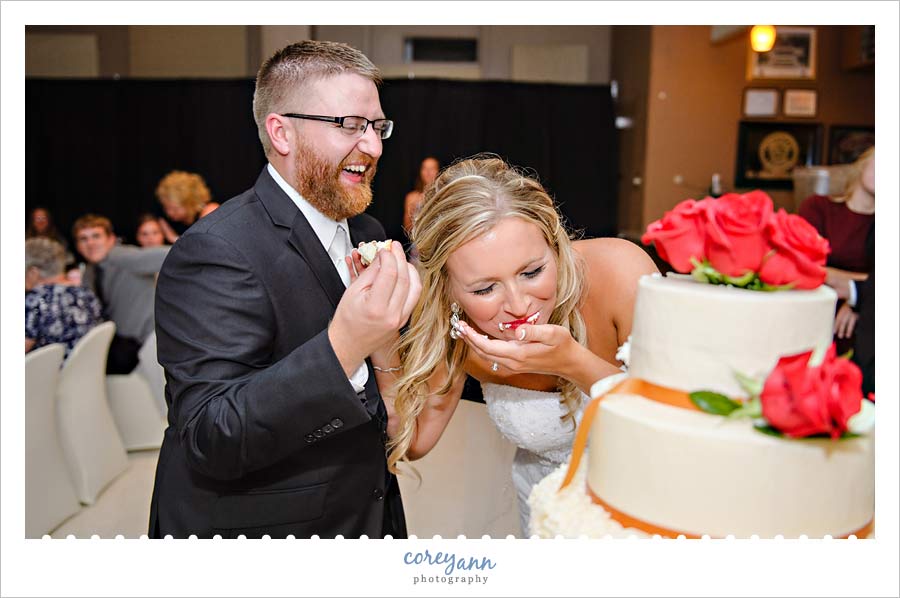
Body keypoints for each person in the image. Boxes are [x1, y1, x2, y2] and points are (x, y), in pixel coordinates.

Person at [149, 40, 421, 539]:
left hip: (362, 510)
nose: (375, 147)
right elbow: (211, 435)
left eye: (378, 127)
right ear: (282, 132)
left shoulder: (366, 230)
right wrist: (345, 345)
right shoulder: (216, 249)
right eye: (350, 125)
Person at [377, 156, 659, 535]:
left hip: (648, 510)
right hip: (545, 519)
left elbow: (673, 422)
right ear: (447, 289)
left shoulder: (621, 272)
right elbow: (412, 440)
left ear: (554, 242)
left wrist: (572, 362)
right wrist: (380, 334)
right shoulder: (458, 331)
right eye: (484, 288)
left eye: (532, 272)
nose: (518, 304)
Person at [72, 214, 169, 372]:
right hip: (128, 348)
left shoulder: (121, 256)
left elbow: (172, 255)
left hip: (150, 343)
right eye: (83, 239)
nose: (90, 243)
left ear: (111, 239)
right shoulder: (90, 271)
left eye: (96, 236)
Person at [800, 147, 874, 352]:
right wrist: (863, 287)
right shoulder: (817, 207)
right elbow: (804, 268)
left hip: (861, 327)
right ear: (863, 163)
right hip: (809, 311)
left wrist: (858, 302)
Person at [25, 237, 103, 359]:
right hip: (83, 370)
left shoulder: (35, 300)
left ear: (33, 272)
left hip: (46, 375)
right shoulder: (86, 293)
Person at [154, 170, 221, 244]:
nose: (169, 213)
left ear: (190, 204)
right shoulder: (164, 218)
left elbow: (201, 244)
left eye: (175, 209)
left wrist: (172, 238)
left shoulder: (209, 211)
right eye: (166, 208)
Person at [402, 156, 440, 259]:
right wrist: (412, 210)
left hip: (438, 246)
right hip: (419, 247)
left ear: (438, 171)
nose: (428, 172)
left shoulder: (443, 195)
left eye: (432, 168)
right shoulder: (412, 197)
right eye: (425, 168)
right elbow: (407, 228)